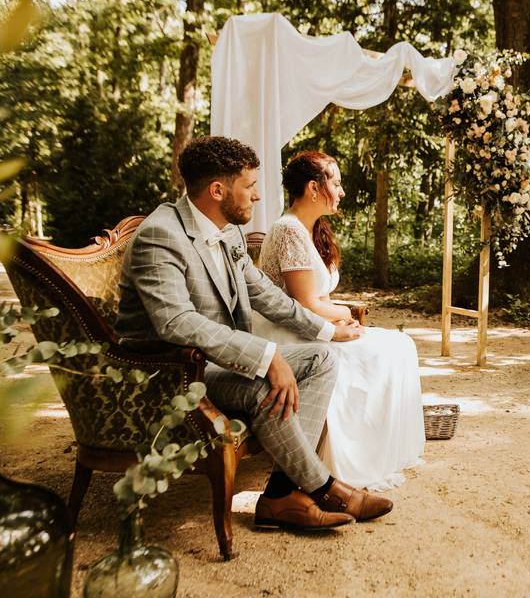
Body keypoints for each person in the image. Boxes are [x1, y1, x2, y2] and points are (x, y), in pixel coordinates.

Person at [115, 136, 393, 532]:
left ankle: (281, 494)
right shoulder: (161, 236)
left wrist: (325, 329)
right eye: (249, 186)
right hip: (173, 371)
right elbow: (176, 323)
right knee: (265, 385)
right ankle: (326, 487)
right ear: (217, 191)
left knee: (321, 359)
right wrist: (265, 356)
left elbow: (262, 292)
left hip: (214, 362)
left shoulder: (225, 230)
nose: (258, 196)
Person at [253, 151, 425, 492]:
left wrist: (343, 321)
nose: (342, 191)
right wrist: (344, 319)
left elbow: (319, 299)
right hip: (287, 331)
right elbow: (304, 302)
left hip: (308, 323)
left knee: (400, 344)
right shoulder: (288, 229)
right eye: (337, 183)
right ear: (314, 188)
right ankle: (350, 457)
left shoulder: (308, 229)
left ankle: (382, 449)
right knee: (382, 351)